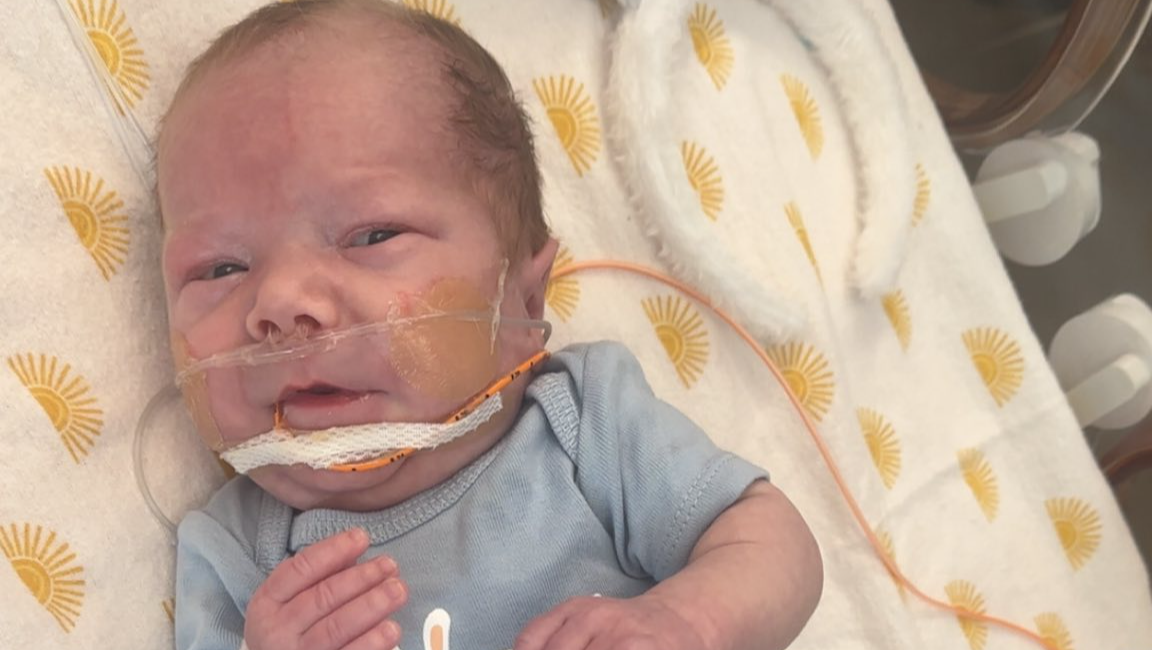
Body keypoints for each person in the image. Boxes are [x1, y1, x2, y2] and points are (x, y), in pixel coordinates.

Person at [156, 2, 823, 649]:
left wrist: (688, 623)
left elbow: (766, 540)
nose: (279, 301)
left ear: (524, 302)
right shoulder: (238, 553)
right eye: (219, 269)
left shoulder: (584, 426)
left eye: (372, 235)